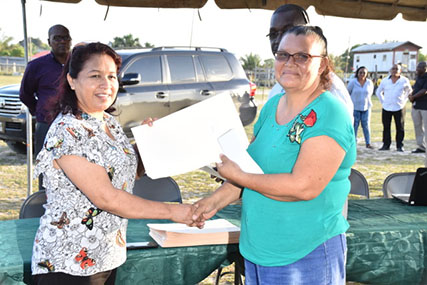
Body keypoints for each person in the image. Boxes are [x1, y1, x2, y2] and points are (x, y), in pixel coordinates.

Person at [192, 26, 356, 284]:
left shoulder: (330, 112)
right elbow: (248, 170)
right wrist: (211, 203)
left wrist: (240, 175)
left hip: (305, 251)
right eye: (283, 55)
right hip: (258, 249)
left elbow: (303, 187)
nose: (290, 63)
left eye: (302, 56)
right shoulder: (271, 107)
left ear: (323, 65)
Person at [31, 42, 194, 284]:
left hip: (107, 255)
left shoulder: (108, 122)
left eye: (111, 76)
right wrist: (173, 211)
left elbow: (125, 172)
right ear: (72, 81)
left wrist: (151, 142)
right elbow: (106, 197)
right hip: (68, 263)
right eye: (95, 76)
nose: (106, 84)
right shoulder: (67, 131)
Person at [266, 4, 354, 121]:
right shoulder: (277, 90)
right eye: (273, 34)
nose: (279, 40)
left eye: (288, 31)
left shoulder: (332, 95)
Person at [19, 24, 72, 190]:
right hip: (47, 125)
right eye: (57, 38)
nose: (62, 41)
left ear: (70, 40)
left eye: (65, 37)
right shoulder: (36, 66)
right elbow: (25, 94)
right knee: (47, 167)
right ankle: (45, 202)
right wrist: (40, 111)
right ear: (49, 41)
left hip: (73, 125)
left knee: (73, 168)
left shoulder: (78, 64)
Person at [376, 63, 412, 152]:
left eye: (397, 69)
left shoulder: (404, 80)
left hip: (399, 106)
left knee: (400, 127)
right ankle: (386, 145)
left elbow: (409, 91)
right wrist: (383, 102)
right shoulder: (385, 80)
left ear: (400, 71)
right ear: (390, 70)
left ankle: (399, 146)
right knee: (386, 127)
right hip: (386, 107)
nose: (394, 70)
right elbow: (378, 92)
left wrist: (404, 100)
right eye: (393, 69)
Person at [347, 66, 374, 148]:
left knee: (366, 125)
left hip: (366, 107)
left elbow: (370, 93)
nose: (362, 74)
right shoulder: (353, 82)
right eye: (360, 72)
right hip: (355, 107)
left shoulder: (369, 82)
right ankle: (353, 143)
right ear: (357, 73)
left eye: (364, 73)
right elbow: (348, 92)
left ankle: (368, 143)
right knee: (354, 125)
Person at [408, 61, 427, 157]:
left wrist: (414, 97)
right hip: (416, 106)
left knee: (426, 128)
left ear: (425, 68)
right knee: (418, 127)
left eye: (419, 68)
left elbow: (424, 90)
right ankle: (421, 146)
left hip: (425, 107)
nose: (417, 69)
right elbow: (416, 88)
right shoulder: (418, 77)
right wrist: (411, 95)